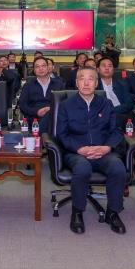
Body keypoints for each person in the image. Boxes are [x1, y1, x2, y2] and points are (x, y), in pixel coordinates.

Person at [56, 66, 127, 235]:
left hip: (103, 152)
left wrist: (106, 147)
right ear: (76, 83)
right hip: (76, 153)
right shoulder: (66, 105)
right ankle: (77, 212)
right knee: (82, 168)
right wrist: (79, 149)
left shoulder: (106, 104)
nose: (86, 83)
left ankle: (113, 212)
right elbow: (61, 134)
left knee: (118, 168)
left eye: (91, 79)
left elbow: (116, 131)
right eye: (82, 79)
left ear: (96, 83)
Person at [18, 57, 64, 125]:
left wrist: (51, 109)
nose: (41, 69)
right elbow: (23, 105)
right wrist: (36, 112)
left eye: (43, 66)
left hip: (54, 121)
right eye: (37, 67)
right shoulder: (28, 85)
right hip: (34, 122)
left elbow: (64, 103)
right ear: (34, 70)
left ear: (48, 68)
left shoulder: (59, 84)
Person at [96, 57, 133, 129]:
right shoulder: (94, 86)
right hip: (101, 118)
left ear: (113, 69)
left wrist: (111, 111)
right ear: (98, 69)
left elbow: (129, 104)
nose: (107, 68)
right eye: (104, 66)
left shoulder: (122, 84)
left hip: (120, 115)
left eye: (110, 66)